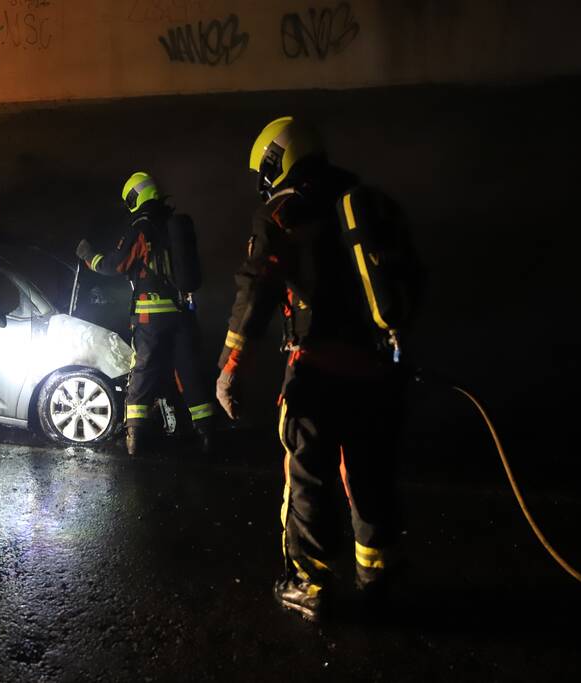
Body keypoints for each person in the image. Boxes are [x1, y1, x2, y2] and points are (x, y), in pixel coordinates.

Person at [216, 117, 418, 621]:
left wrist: (230, 368)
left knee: (308, 479)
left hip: (317, 372)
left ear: (274, 161)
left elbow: (256, 290)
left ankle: (308, 584)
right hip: (375, 370)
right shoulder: (363, 201)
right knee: (369, 472)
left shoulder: (282, 212)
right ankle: (378, 574)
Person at [77, 172, 214, 456]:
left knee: (142, 373)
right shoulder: (173, 223)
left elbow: (116, 265)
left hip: (151, 316)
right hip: (181, 312)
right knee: (189, 372)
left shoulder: (142, 225)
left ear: (134, 197)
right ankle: (208, 435)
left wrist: (89, 257)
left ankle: (135, 439)